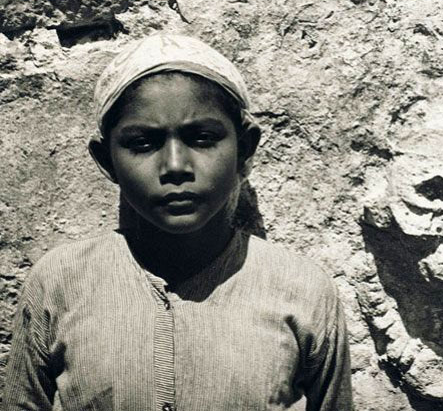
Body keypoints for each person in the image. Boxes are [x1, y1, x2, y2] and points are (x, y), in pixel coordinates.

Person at [2, 33, 353, 411]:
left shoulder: (302, 290)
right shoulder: (59, 282)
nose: (175, 167)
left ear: (245, 149)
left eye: (202, 138)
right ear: (106, 160)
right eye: (142, 143)